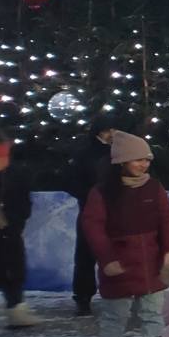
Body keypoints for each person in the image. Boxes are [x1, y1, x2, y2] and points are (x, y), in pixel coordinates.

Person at [81, 131, 169, 337]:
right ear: (121, 161)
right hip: (119, 267)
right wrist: (107, 258)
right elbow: (93, 227)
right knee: (115, 317)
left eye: (147, 159)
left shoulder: (153, 187)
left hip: (151, 265)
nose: (144, 164)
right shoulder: (102, 192)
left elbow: (168, 220)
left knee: (153, 314)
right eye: (138, 159)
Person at [68, 115, 116, 316]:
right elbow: (70, 181)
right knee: (86, 255)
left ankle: (119, 294)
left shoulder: (120, 151)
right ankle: (83, 297)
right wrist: (90, 196)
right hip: (90, 210)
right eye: (108, 130)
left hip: (117, 211)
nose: (112, 134)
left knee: (118, 252)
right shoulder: (84, 153)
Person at [0, 131, 39, 328]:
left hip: (9, 230)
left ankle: (15, 306)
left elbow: (24, 203)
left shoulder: (16, 174)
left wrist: (14, 223)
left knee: (13, 269)